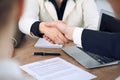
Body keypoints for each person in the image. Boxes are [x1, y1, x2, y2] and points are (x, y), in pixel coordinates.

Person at [44, 0, 120, 60]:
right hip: (70, 44)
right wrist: (72, 34)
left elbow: (93, 24)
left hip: (75, 45)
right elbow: (115, 43)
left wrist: (71, 34)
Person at [19, 0, 99, 44]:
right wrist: (43, 28)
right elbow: (24, 21)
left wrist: (75, 35)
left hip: (75, 46)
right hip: (45, 50)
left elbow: (95, 26)